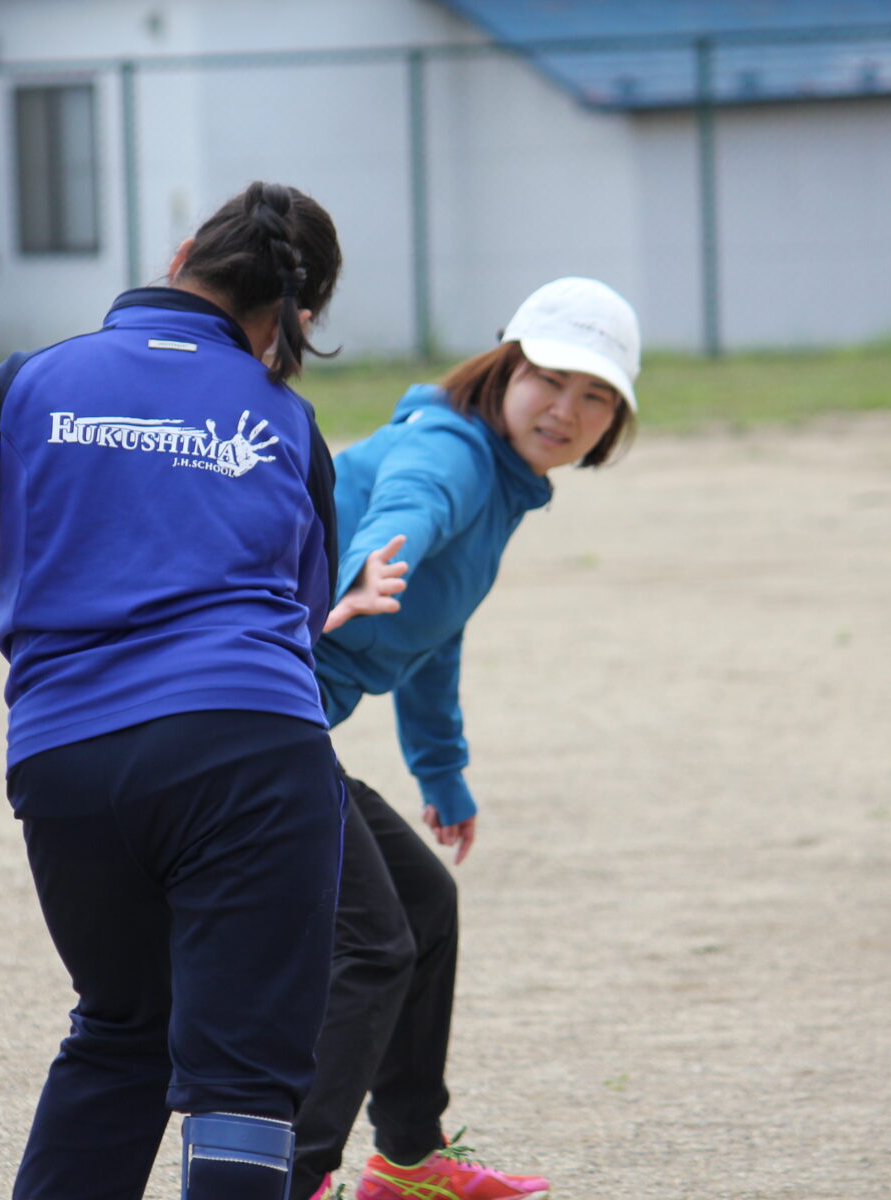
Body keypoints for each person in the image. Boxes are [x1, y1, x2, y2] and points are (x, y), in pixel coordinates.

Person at [0, 182, 399, 1200]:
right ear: (298, 318)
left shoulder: (25, 385)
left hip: (70, 762)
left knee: (122, 1034)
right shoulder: (288, 422)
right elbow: (306, 607)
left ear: (184, 251)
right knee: (241, 1079)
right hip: (251, 753)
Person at [290, 277, 643, 1200]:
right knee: (373, 943)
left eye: (597, 395)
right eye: (550, 380)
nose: (568, 411)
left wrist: (443, 774)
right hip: (249, 724)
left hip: (282, 726)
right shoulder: (449, 449)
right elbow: (412, 505)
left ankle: (408, 1159)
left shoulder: (503, 486)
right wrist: (375, 558)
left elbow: (432, 639)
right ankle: (288, 1179)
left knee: (423, 907)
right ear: (505, 367)